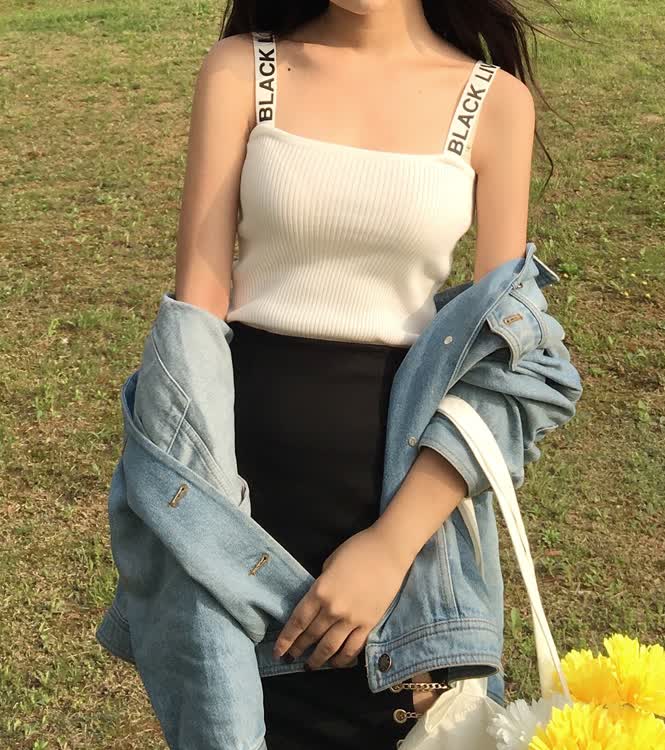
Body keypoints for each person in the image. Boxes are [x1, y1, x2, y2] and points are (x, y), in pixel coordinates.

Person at [173, 1, 551, 747]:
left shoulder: (495, 101)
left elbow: (504, 360)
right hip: (239, 509)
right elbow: (194, 318)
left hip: (407, 525)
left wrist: (391, 546)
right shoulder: (243, 70)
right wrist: (195, 515)